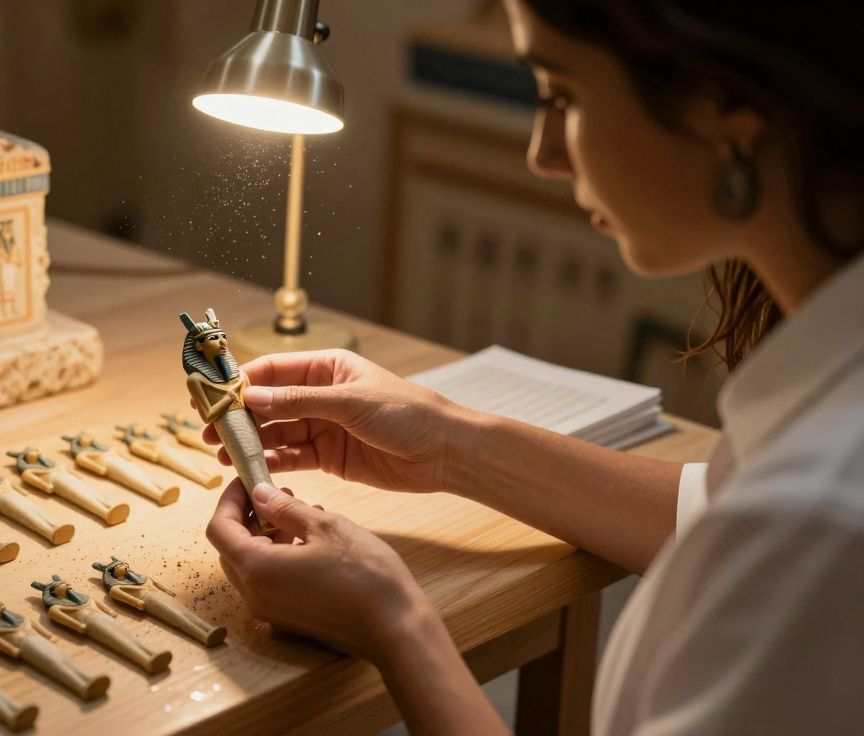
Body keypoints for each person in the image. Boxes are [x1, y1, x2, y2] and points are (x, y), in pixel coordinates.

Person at [205, 2, 864, 734]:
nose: (543, 154)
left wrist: (395, 623)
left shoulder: (821, 521)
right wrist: (448, 441)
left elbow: (776, 532)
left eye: (562, 96)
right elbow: (711, 510)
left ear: (722, 111)